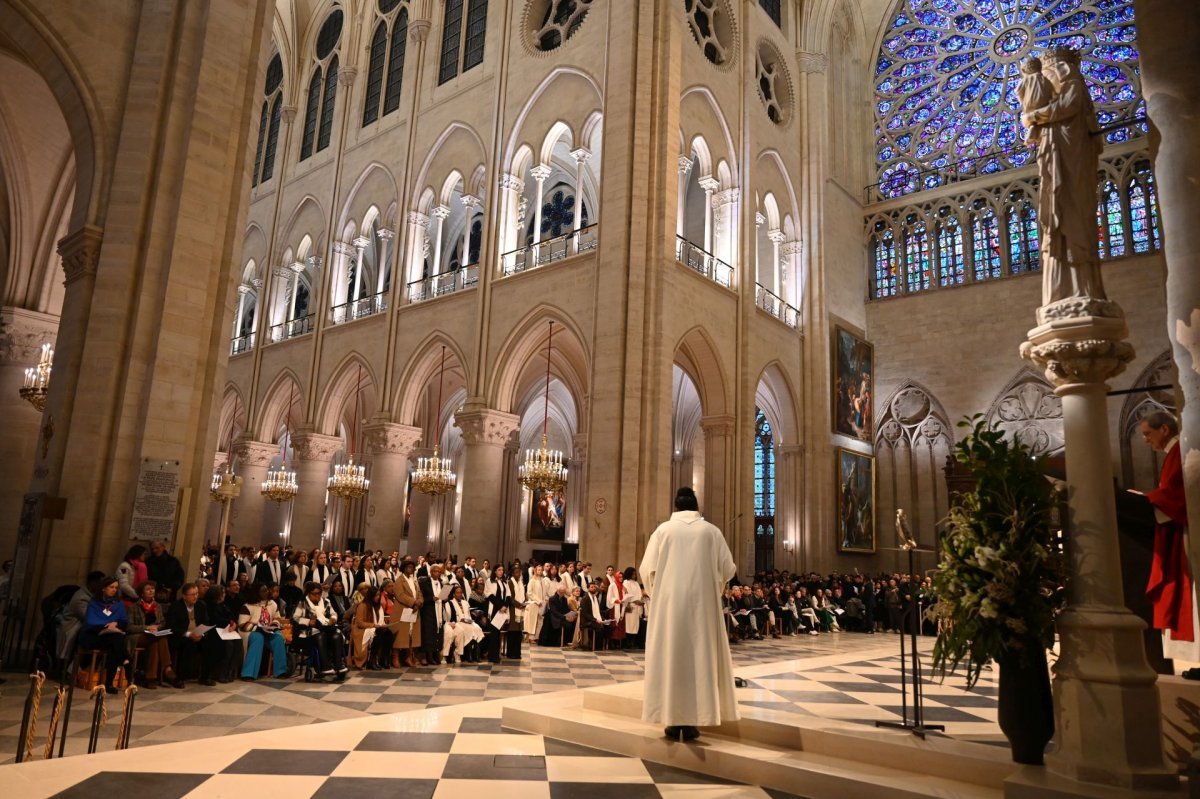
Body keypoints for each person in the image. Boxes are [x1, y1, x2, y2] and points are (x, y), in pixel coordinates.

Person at [639, 487, 738, 741]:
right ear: (696, 506)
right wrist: (713, 586)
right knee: (699, 658)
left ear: (675, 506)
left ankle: (672, 721)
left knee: (671, 657)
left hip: (669, 607)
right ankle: (695, 721)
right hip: (701, 608)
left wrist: (658, 592)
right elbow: (728, 568)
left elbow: (646, 570)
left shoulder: (663, 531)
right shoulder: (711, 531)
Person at [1131, 410, 1195, 656]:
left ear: (1164, 430)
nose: (1146, 440)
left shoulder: (1180, 451)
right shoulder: (1173, 453)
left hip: (1186, 531)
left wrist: (1145, 499)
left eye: (1148, 434)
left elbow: (1177, 495)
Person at [78, 576, 130, 694]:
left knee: (114, 642)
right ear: (103, 588)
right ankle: (126, 661)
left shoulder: (118, 603)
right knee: (116, 640)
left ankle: (109, 683)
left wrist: (116, 623)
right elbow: (91, 622)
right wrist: (106, 625)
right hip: (93, 636)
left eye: (116, 588)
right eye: (111, 587)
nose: (114, 590)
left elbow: (124, 621)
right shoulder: (94, 603)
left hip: (111, 636)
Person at [166, 582, 221, 686]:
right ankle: (180, 678)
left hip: (198, 634)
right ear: (184, 596)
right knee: (189, 645)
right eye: (192, 594)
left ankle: (205, 677)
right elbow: (171, 626)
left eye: (196, 593)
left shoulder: (201, 605)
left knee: (211, 643)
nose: (195, 596)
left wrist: (201, 634)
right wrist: (188, 634)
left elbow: (206, 622)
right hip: (181, 636)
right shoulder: (176, 606)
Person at [124, 580, 175, 688]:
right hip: (137, 636)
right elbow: (129, 627)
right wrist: (146, 627)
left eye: (152, 589)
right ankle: (167, 667)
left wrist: (157, 627)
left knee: (156, 643)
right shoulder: (134, 607)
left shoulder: (157, 606)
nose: (151, 591)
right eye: (148, 589)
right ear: (142, 593)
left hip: (153, 636)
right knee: (159, 638)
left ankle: (150, 678)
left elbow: (162, 622)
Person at [294, 581, 348, 677]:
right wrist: (308, 621)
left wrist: (333, 619)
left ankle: (338, 664)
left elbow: (334, 613)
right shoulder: (303, 603)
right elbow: (295, 618)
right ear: (308, 593)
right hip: (309, 633)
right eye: (314, 594)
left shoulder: (326, 602)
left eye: (319, 593)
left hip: (326, 629)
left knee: (337, 635)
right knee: (320, 636)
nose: (317, 596)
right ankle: (325, 666)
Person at [237, 582, 288, 680]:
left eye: (267, 590)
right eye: (263, 591)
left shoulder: (272, 604)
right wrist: (259, 628)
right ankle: (248, 673)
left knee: (278, 638)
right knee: (258, 638)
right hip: (252, 632)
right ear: (256, 593)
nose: (267, 592)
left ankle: (280, 671)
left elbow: (277, 618)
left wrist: (273, 625)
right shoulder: (247, 606)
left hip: (268, 630)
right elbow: (242, 625)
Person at [442, 584, 484, 663]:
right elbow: (451, 617)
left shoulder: (465, 602)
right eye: (457, 593)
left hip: (468, 621)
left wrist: (469, 620)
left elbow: (468, 614)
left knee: (477, 628)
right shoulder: (451, 602)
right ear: (454, 594)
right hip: (458, 622)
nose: (459, 594)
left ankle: (477, 655)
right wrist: (462, 619)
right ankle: (468, 655)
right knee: (467, 629)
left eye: (461, 592)